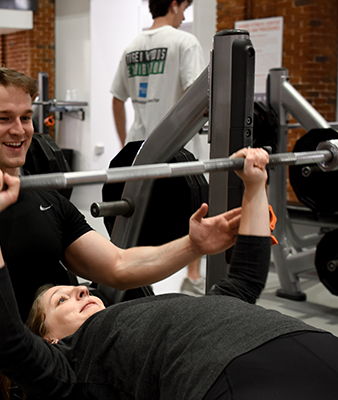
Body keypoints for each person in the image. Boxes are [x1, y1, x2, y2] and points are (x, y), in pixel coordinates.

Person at [0, 64, 242, 400]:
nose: (19, 130)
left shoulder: (49, 202)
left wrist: (193, 245)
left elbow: (119, 267)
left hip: (52, 351)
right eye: (4, 118)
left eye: (25, 117)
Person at [0, 147, 338, 400]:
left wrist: (255, 185)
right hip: (231, 377)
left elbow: (246, 276)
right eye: (61, 299)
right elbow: (5, 339)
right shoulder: (72, 370)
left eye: (74, 290)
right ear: (49, 341)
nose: (79, 292)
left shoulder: (167, 309)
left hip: (308, 340)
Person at [110, 0, 208, 294]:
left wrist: (123, 144)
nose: (184, 16)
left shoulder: (132, 47)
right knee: (197, 209)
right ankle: (192, 276)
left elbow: (117, 98)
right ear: (175, 5)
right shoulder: (184, 41)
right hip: (178, 147)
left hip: (138, 149)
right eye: (184, 8)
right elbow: (198, 94)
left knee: (137, 214)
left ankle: (138, 277)